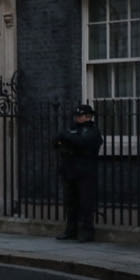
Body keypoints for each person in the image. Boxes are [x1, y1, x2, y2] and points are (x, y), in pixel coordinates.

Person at [55, 103, 104, 242]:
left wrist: (67, 138)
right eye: (76, 115)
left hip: (86, 173)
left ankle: (87, 232)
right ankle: (71, 231)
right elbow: (56, 140)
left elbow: (82, 142)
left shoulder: (93, 131)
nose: (77, 118)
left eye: (80, 115)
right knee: (71, 203)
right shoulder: (72, 129)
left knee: (85, 203)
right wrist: (67, 140)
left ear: (88, 116)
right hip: (70, 170)